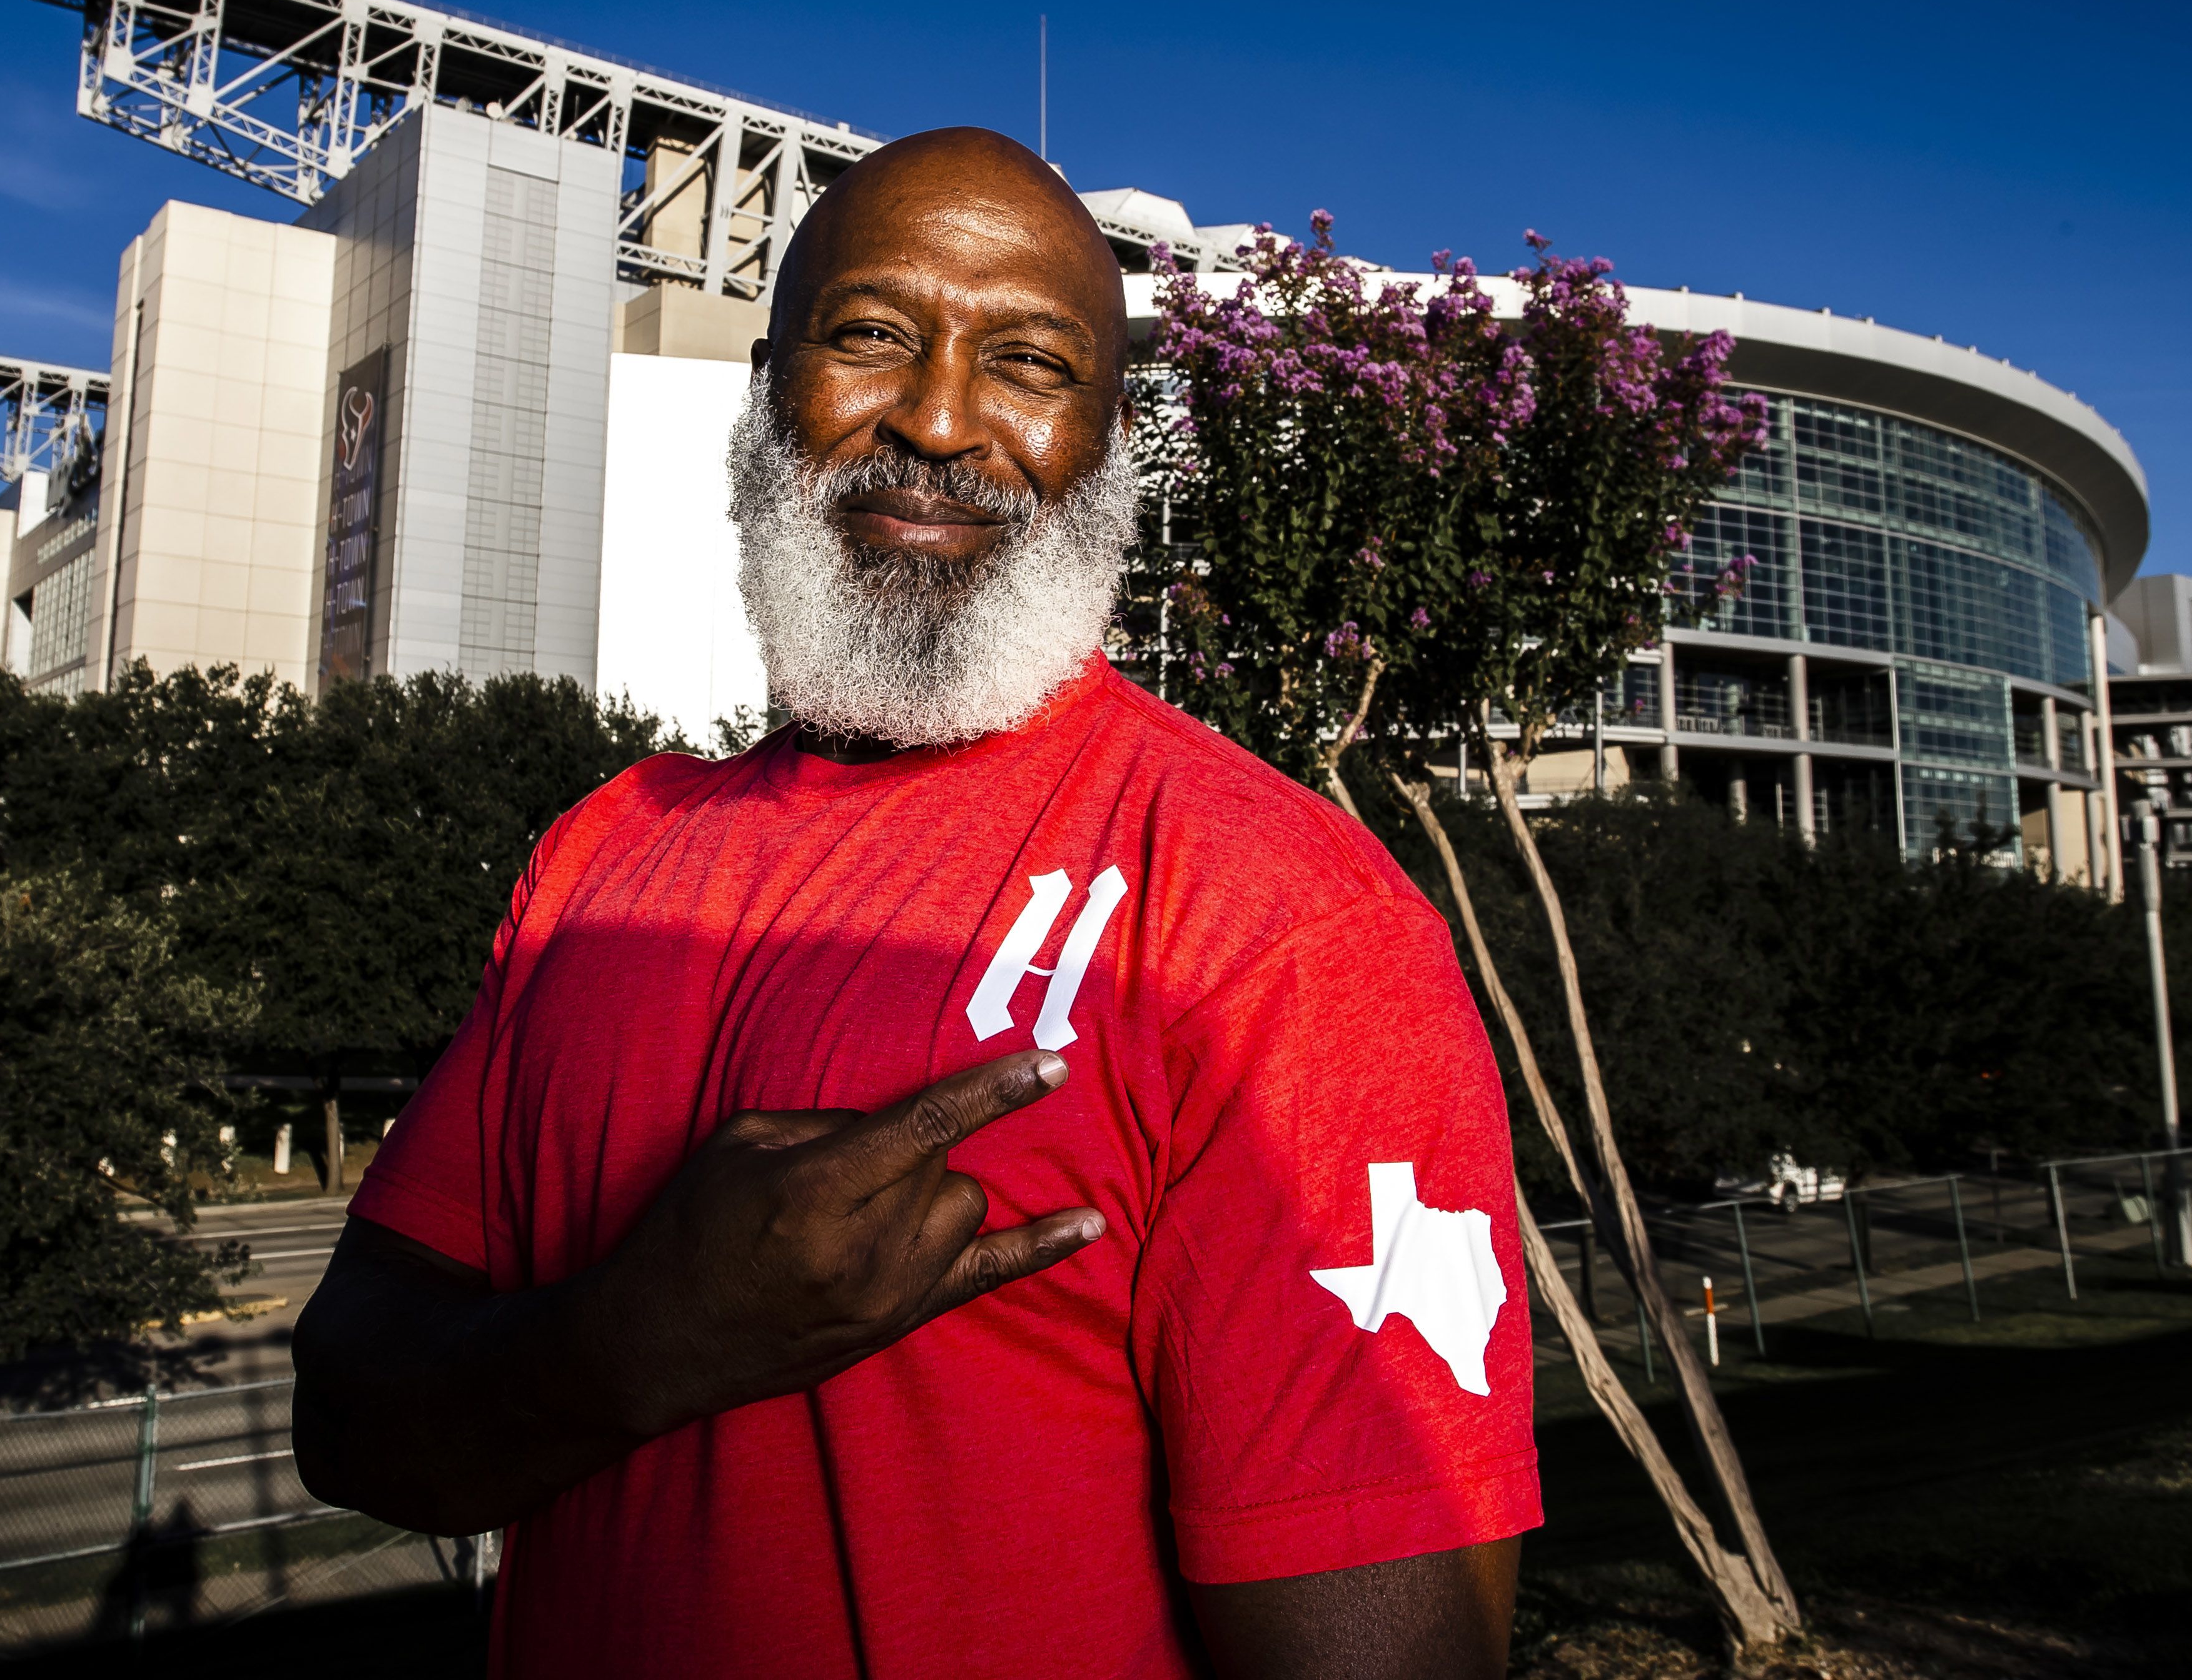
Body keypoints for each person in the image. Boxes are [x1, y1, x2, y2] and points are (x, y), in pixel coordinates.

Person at [293, 127, 1536, 1678]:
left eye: (1029, 362)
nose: (942, 421)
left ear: (1108, 438)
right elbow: (348, 1416)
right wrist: (633, 1340)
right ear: (768, 388)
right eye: (872, 334)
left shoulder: (1276, 919)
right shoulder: (599, 860)